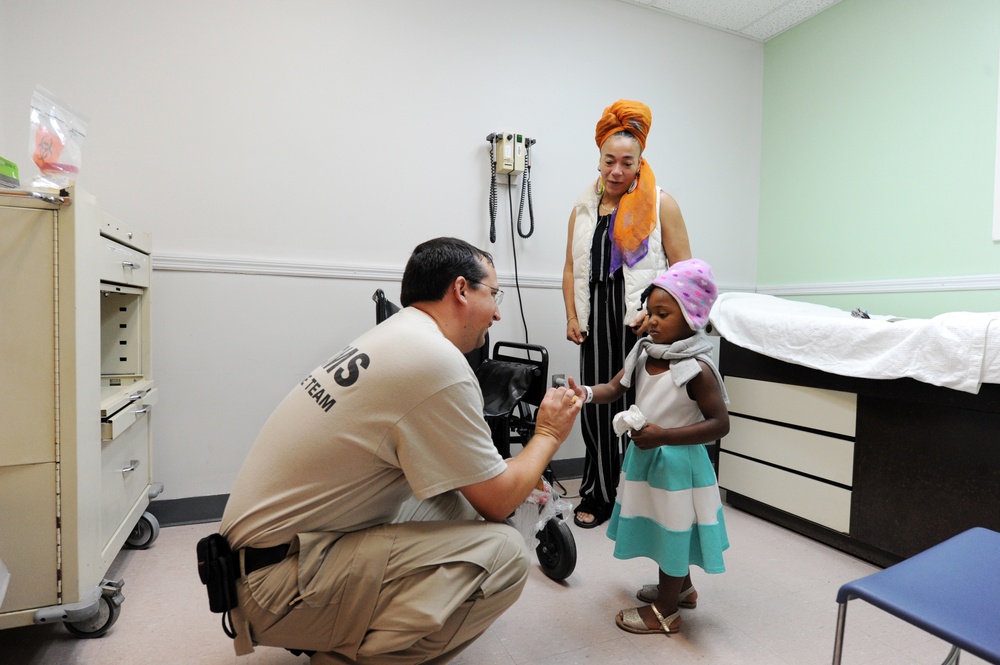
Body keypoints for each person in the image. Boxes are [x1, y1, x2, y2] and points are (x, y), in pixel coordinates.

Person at [219, 237, 583, 664]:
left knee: (456, 501)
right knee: (504, 555)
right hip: (274, 588)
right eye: (494, 294)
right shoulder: (436, 362)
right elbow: (500, 501)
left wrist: (512, 467)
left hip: (256, 566)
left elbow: (479, 484)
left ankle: (344, 631)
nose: (498, 312)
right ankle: (351, 657)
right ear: (462, 290)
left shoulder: (394, 336)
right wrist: (548, 435)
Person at [571, 259, 730, 635]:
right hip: (647, 459)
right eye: (650, 311)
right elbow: (615, 389)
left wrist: (663, 436)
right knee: (665, 528)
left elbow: (720, 424)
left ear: (691, 317)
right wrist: (586, 393)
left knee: (673, 529)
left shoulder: (696, 368)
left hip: (676, 465)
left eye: (663, 313)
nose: (652, 320)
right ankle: (683, 589)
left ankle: (665, 611)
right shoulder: (644, 353)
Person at [562, 99, 693, 528]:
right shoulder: (582, 210)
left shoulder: (660, 203)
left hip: (643, 324)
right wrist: (571, 316)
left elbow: (684, 270)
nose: (617, 171)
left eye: (627, 162)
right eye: (609, 161)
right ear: (599, 160)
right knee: (598, 409)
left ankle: (643, 499)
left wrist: (658, 316)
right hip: (596, 324)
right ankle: (599, 493)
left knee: (646, 411)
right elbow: (571, 267)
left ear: (640, 163)